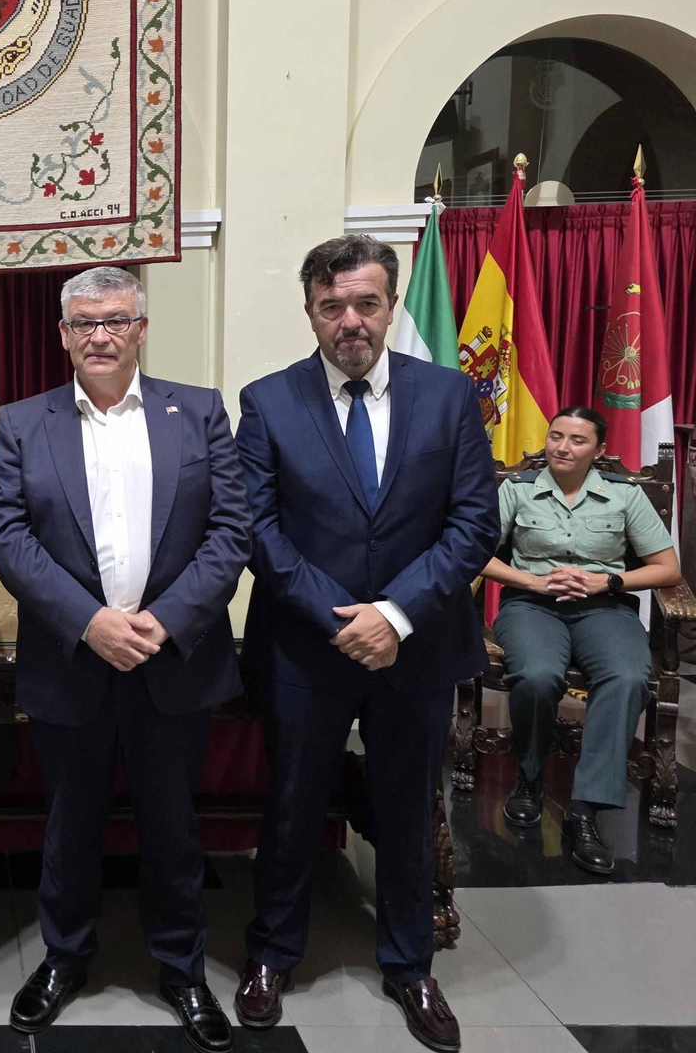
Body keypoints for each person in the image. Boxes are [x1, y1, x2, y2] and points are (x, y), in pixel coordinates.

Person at [234, 235, 499, 1053]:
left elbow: (473, 524)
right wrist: (341, 618)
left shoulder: (451, 397)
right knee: (291, 808)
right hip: (307, 649)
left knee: (408, 809)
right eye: (332, 306)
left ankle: (410, 964)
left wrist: (397, 616)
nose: (350, 320)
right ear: (310, 310)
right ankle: (273, 954)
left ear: (389, 304)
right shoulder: (268, 401)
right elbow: (259, 528)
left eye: (366, 303)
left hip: (415, 649)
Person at [0, 266, 252, 1052]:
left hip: (175, 661)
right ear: (62, 335)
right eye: (82, 323)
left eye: (114, 320)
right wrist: (89, 621)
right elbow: (8, 538)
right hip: (72, 661)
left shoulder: (198, 412)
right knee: (68, 824)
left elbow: (230, 532)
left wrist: (163, 622)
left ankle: (182, 969)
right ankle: (63, 959)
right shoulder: (24, 423)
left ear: (141, 328)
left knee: (174, 827)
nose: (98, 335)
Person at [480, 404, 680, 874]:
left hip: (603, 608)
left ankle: (585, 810)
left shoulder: (624, 496)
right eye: (555, 436)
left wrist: (604, 583)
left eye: (577, 440)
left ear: (599, 450)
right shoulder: (517, 490)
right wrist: (531, 583)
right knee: (535, 674)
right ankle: (528, 778)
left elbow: (667, 568)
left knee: (628, 676)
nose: (562, 447)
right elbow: (473, 554)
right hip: (531, 606)